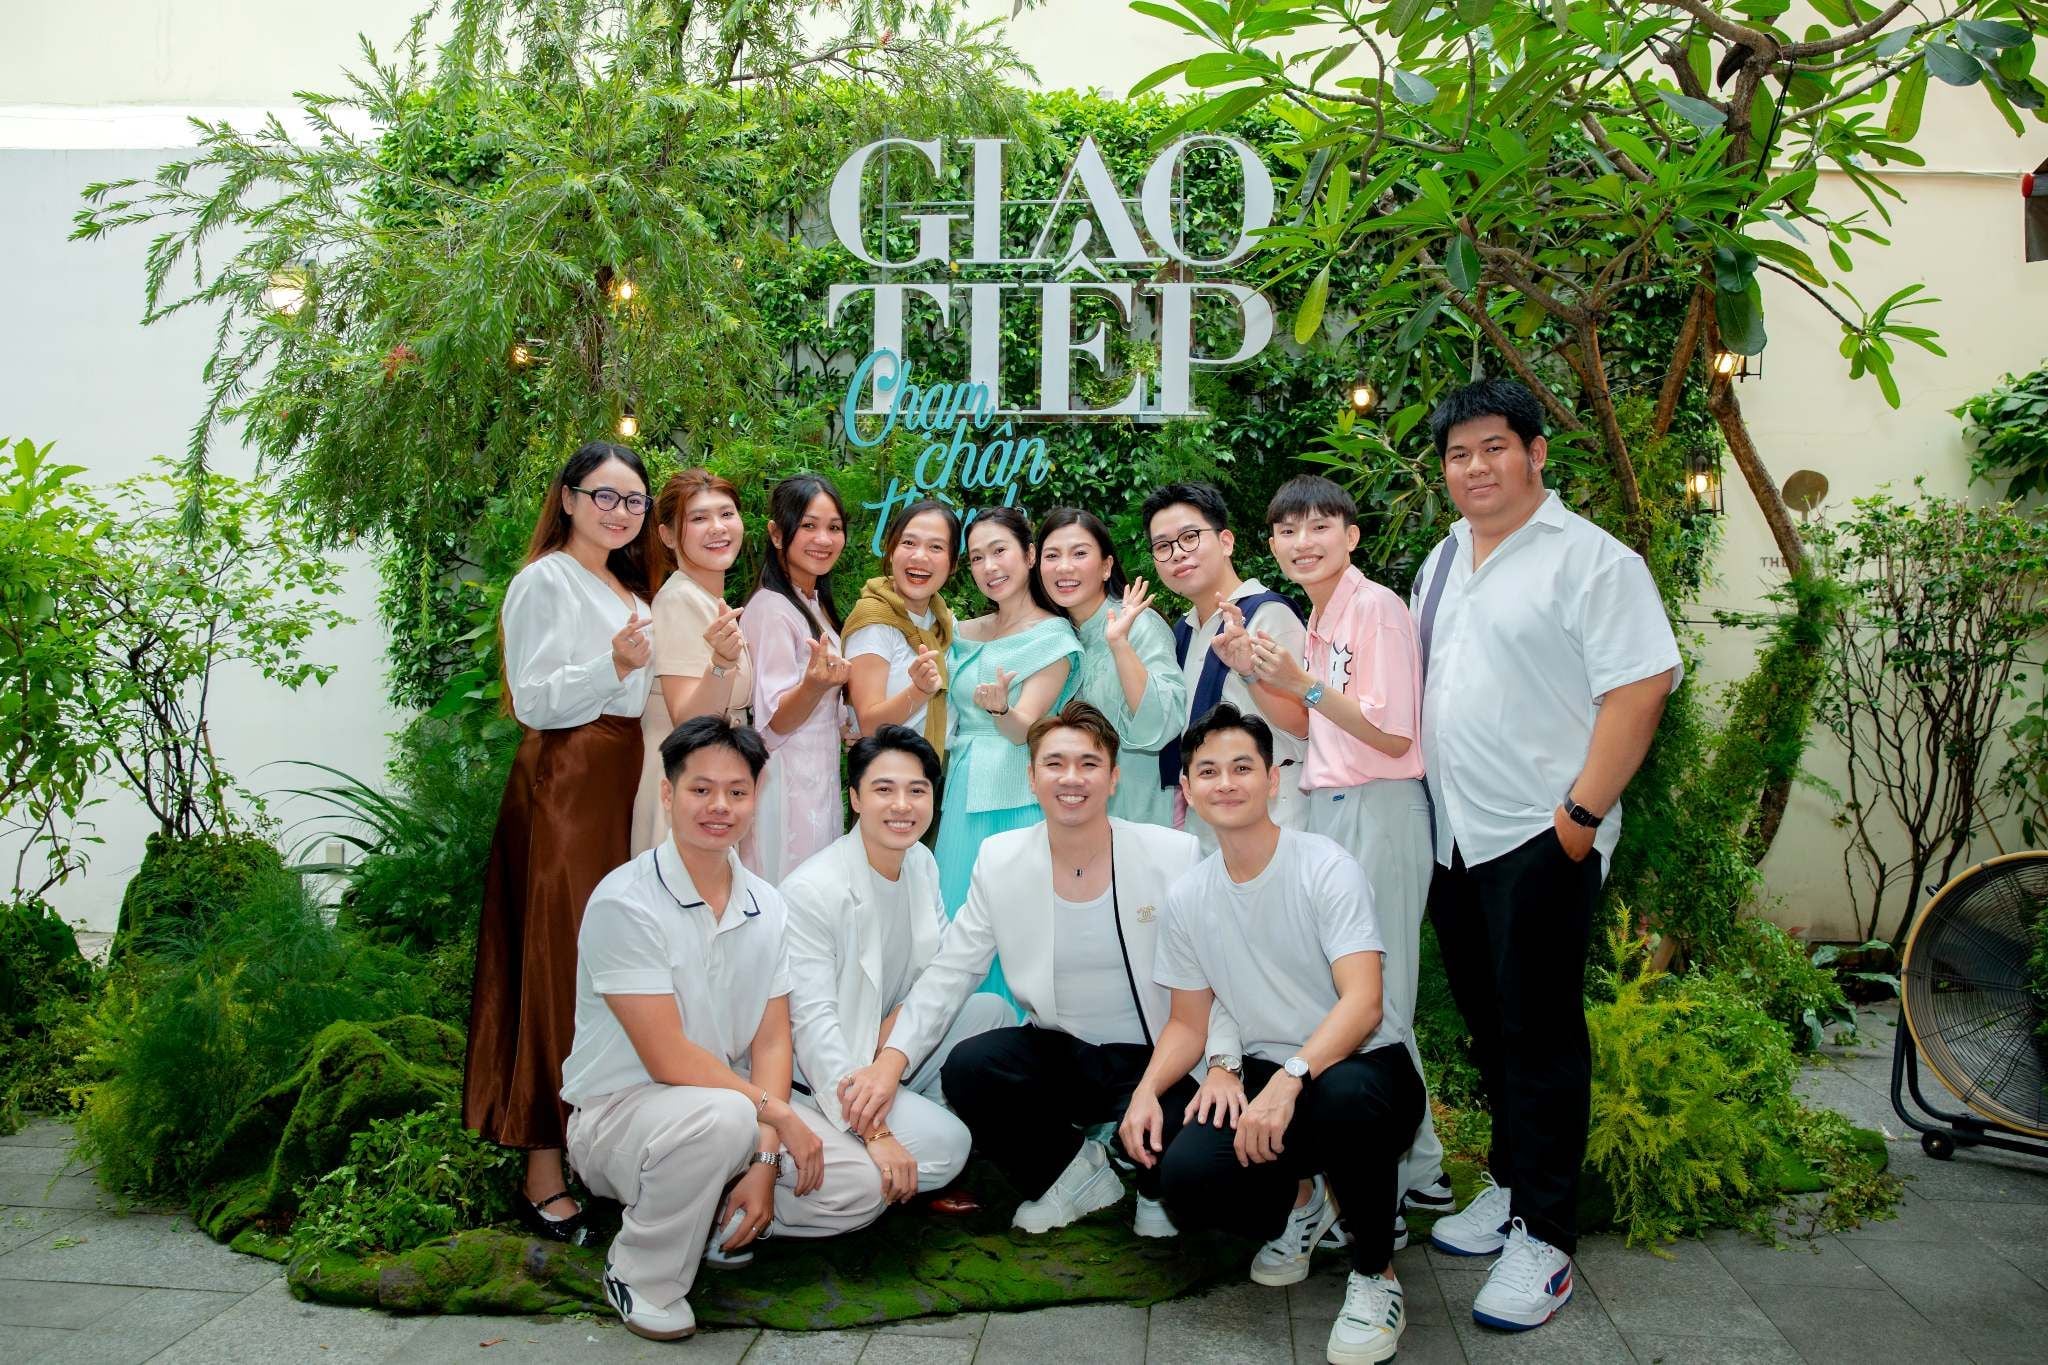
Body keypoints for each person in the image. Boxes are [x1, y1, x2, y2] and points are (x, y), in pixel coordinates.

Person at [1413, 379, 1679, 1333]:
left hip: (1538, 837)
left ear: (1535, 452)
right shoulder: (1445, 556)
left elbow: (1642, 685)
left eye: (1494, 447)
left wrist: (1577, 816)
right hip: (1453, 838)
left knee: (1541, 1035)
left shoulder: (1594, 561)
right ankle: (1512, 1183)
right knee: (1490, 1028)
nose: (1475, 467)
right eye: (1458, 454)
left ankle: (1547, 1238)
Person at [561, 716, 888, 1342]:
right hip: (622, 1116)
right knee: (724, 1119)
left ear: (755, 798)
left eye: (737, 792)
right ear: (667, 793)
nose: (720, 806)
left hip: (731, 1108)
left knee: (857, 1187)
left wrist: (764, 1160)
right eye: (701, 790)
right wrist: (779, 1117)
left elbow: (772, 1040)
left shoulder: (767, 904)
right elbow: (667, 1058)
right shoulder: (625, 902)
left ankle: (712, 1216)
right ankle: (642, 1273)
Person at [1120, 704, 1424, 1365]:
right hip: (1270, 1076)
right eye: (1208, 771)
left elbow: (1365, 1003)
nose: (1226, 783)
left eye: (1242, 768)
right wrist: (1145, 1092)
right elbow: (1187, 1022)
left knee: (1342, 1098)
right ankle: (1304, 1201)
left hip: (1367, 1070)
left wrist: (1292, 1078)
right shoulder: (1190, 897)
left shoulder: (1324, 865)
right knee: (1185, 1172)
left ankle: (1376, 1276)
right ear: (1188, 788)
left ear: (1272, 778)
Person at [893, 700, 1235, 1236]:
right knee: (970, 1067)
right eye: (1054, 764)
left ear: (1114, 777)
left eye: (1089, 764)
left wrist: (1223, 1065)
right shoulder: (1001, 859)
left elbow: (1221, 979)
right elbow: (950, 973)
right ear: (1032, 778)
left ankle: (1151, 1182)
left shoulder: (1173, 855)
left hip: (1158, 1055)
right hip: (1062, 1049)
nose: (1071, 778)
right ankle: (1073, 1171)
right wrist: (892, 1061)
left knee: (1180, 1171)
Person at [1240, 473, 1450, 1224]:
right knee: (1354, 993)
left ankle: (1396, 1180)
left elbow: (1392, 735)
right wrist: (1256, 673)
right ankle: (1415, 1169)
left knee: (1378, 998)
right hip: (1335, 808)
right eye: (1287, 530)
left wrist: (1304, 682)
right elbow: (1309, 726)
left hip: (1379, 808)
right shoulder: (1321, 615)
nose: (1302, 542)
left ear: (1351, 536)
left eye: (1319, 526)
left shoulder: (1375, 609)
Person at [465, 440, 660, 1245]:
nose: (620, 511)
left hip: (620, 779)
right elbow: (534, 701)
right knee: (560, 964)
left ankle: (598, 1150)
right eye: (605, 495)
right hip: (566, 780)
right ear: (570, 498)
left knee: (614, 964)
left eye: (634, 500)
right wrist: (609, 662)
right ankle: (540, 1171)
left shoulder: (629, 587)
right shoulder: (544, 580)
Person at [781, 725, 1013, 1208]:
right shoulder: (812, 891)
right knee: (949, 1147)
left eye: (917, 790)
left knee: (990, 1013)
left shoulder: (920, 862)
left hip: (878, 1043)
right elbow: (813, 1029)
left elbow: (941, 972)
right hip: (818, 1074)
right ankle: (858, 1154)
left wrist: (891, 1049)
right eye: (884, 790)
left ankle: (908, 1136)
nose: (902, 806)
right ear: (855, 798)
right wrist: (876, 1131)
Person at [932, 507, 1080, 956]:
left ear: (1029, 555)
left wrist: (1001, 709)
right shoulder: (961, 632)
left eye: (999, 551)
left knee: (1010, 924)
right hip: (961, 787)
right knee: (955, 908)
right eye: (977, 558)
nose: (989, 567)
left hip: (1016, 792)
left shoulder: (1054, 637)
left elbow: (1025, 730)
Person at [1139, 481, 1308, 845]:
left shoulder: (1267, 614)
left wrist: (1249, 672)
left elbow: (1303, 723)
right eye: (1163, 546)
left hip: (1271, 810)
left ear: (1226, 541)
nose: (1178, 554)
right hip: (1206, 817)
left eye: (1190, 537)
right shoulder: (1182, 632)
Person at [1036, 507, 1186, 827]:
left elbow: (1163, 723)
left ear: (1106, 567)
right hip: (1072, 817)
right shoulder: (1052, 638)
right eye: (1052, 555)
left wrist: (1119, 644)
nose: (1064, 566)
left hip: (1138, 815)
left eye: (1079, 553)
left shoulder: (1139, 624)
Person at [630, 468, 753, 855]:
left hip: (709, 786)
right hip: (685, 793)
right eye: (699, 518)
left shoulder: (704, 599)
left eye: (727, 514)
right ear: (667, 535)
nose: (718, 528)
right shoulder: (679, 601)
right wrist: (722, 662)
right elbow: (688, 720)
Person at [740, 475, 853, 881]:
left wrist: (847, 722)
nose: (823, 539)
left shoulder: (814, 603)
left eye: (834, 527)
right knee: (789, 889)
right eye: (808, 525)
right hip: (785, 781)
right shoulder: (771, 609)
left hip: (818, 775)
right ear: (776, 533)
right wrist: (815, 686)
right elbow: (773, 722)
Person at [843, 500, 958, 756]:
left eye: (936, 547)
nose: (920, 556)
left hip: (940, 772)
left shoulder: (944, 623)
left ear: (952, 564)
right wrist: (919, 691)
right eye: (909, 543)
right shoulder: (874, 622)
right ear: (891, 550)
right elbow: (869, 725)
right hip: (888, 772)